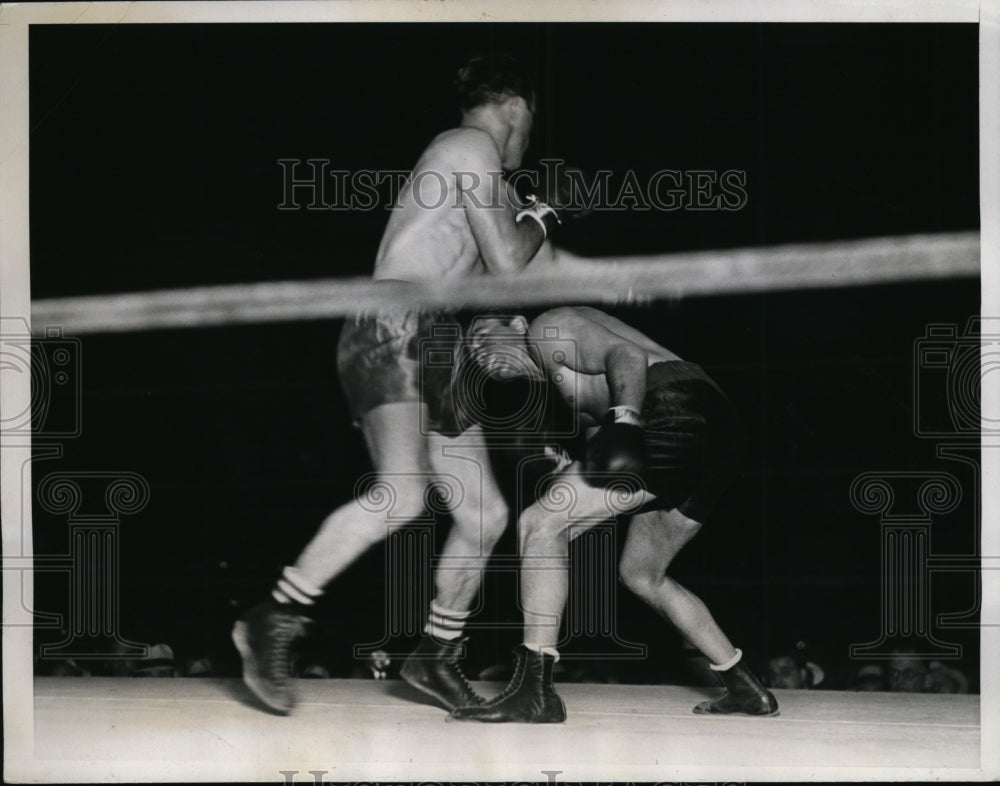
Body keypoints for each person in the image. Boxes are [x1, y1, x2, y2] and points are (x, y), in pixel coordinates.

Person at [232, 54, 561, 715]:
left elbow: (520, 274)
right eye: (529, 127)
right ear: (517, 110)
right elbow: (509, 254)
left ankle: (435, 653)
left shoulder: (480, 181)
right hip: (395, 321)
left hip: (433, 335)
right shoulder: (469, 144)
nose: (527, 146)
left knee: (484, 514)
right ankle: (273, 614)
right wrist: (546, 215)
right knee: (403, 496)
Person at [444, 306, 779, 722]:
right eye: (471, 350)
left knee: (539, 523)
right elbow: (601, 436)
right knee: (642, 573)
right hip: (716, 432)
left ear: (515, 323)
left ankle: (534, 692)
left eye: (482, 335)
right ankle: (744, 687)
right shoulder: (563, 376)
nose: (479, 352)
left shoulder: (549, 329)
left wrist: (625, 422)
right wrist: (577, 462)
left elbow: (627, 356)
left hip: (674, 408)